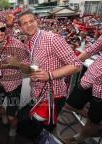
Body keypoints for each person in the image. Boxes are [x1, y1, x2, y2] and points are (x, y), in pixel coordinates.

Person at [15, 10, 82, 138]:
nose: (29, 25)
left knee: (44, 130)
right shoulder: (28, 41)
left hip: (53, 96)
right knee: (36, 129)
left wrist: (49, 75)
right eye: (24, 23)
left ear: (37, 21)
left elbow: (76, 65)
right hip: (37, 93)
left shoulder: (52, 39)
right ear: (20, 27)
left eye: (31, 21)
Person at [0, 18, 30, 142]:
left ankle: (12, 131)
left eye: (2, 29)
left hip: (14, 85)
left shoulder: (17, 44)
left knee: (12, 117)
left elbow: (29, 69)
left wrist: (17, 64)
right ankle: (3, 116)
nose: (0, 33)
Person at [63, 55, 102, 143]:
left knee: (92, 123)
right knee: (69, 104)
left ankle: (77, 139)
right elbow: (91, 49)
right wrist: (73, 61)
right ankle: (93, 120)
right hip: (90, 79)